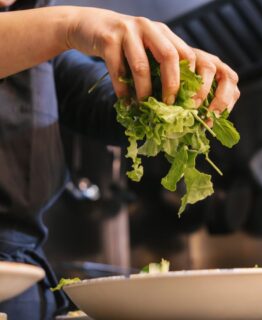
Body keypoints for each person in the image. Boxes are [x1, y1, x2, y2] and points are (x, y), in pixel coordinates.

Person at [0, 0, 240, 319]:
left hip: (25, 284)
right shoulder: (56, 22)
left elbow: (102, 101)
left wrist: (168, 90)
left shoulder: (32, 22)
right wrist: (69, 23)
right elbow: (64, 29)